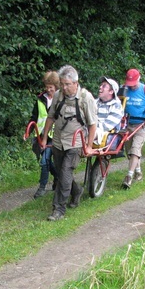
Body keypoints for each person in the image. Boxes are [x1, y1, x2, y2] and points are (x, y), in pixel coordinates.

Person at [40, 65, 97, 221]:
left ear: (75, 83)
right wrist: (45, 138)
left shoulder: (86, 98)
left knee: (64, 174)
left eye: (67, 84)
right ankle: (76, 190)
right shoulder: (58, 95)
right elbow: (50, 117)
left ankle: (58, 209)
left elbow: (92, 124)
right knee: (61, 172)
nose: (63, 87)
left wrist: (89, 146)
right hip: (58, 141)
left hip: (76, 143)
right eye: (62, 84)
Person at [121, 68, 145, 189]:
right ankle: (138, 172)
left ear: (139, 79)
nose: (131, 87)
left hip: (142, 124)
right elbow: (118, 104)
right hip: (128, 123)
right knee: (130, 151)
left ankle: (129, 177)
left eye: (133, 84)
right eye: (129, 84)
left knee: (135, 148)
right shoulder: (124, 89)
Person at [29, 71, 60, 199]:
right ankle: (57, 177)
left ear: (56, 87)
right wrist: (29, 131)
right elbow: (34, 117)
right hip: (42, 135)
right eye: (46, 87)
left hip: (55, 135)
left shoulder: (61, 99)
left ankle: (42, 187)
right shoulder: (40, 99)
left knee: (44, 161)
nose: (48, 90)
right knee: (46, 161)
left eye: (51, 87)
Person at [94, 76, 124, 146]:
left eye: (104, 86)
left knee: (86, 133)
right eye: (101, 85)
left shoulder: (116, 107)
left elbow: (106, 126)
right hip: (92, 129)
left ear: (111, 91)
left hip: (106, 135)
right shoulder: (94, 102)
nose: (100, 87)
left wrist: (90, 126)